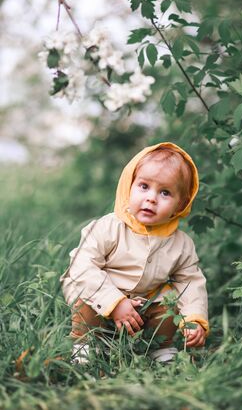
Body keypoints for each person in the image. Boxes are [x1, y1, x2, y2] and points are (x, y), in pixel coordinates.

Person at [60, 142, 209, 363]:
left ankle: (159, 346)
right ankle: (86, 343)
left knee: (170, 298)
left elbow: (191, 282)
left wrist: (194, 319)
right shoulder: (107, 228)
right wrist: (115, 302)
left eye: (165, 192)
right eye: (144, 186)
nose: (151, 198)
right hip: (104, 299)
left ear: (180, 205)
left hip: (144, 304)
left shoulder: (180, 243)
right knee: (85, 292)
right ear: (129, 186)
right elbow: (81, 266)